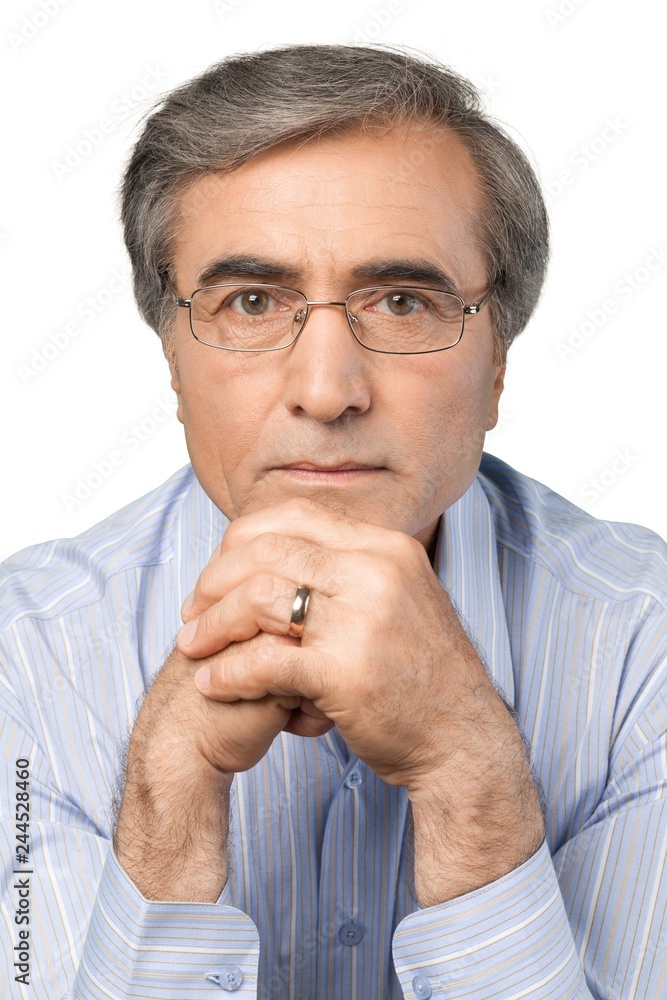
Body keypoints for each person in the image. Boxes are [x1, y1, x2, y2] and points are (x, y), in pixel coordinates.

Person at [1, 44, 665, 1000]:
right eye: (251, 302)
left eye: (400, 302)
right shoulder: (25, 657)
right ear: (172, 362)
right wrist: (165, 815)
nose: (325, 391)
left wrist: (469, 775)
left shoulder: (645, 644)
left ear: (498, 365)